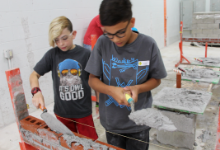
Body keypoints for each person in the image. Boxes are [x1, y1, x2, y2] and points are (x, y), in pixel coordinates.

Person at [85, 0, 167, 149]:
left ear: (132, 22)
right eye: (109, 34)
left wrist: (138, 88)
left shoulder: (148, 45)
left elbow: (157, 79)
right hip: (112, 123)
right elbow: (92, 80)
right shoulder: (103, 43)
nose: (115, 40)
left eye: (120, 33)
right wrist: (111, 90)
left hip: (140, 123)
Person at [29, 16, 98, 140]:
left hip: (83, 112)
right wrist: (36, 92)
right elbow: (34, 75)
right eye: (56, 40)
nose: (61, 43)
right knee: (66, 143)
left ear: (74, 34)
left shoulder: (86, 54)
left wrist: (99, 104)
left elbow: (96, 79)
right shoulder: (52, 55)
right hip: (62, 113)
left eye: (64, 38)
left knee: (89, 144)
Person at [83, 15, 104, 117]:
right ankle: (98, 103)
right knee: (96, 72)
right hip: (90, 43)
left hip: (96, 42)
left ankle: (99, 101)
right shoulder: (102, 16)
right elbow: (106, 30)